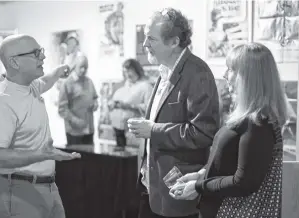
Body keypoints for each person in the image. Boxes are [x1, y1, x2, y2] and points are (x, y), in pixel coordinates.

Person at [170, 43, 288, 218]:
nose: (225, 75)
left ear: (250, 78)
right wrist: (201, 174)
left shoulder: (258, 123)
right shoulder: (251, 118)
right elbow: (230, 161)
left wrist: (199, 186)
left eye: (231, 70)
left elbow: (244, 182)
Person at [127, 8, 220, 218]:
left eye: (151, 39)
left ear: (174, 42)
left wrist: (153, 130)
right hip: (154, 190)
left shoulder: (197, 72)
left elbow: (203, 133)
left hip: (178, 195)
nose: (144, 44)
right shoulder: (165, 70)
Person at [0, 34, 81, 218]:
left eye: (41, 51)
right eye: (36, 53)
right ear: (15, 62)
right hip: (20, 193)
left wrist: (58, 71)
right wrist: (41, 155)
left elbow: (45, 81)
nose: (42, 57)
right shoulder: (1, 102)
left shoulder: (30, 86)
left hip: (48, 188)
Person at [109, 58, 153, 150]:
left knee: (132, 160)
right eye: (125, 71)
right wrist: (113, 105)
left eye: (130, 71)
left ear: (137, 70)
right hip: (119, 130)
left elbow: (150, 109)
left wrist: (130, 106)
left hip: (134, 133)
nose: (127, 74)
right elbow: (113, 101)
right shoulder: (123, 86)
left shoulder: (145, 87)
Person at [58, 54, 98, 145]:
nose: (83, 70)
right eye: (81, 67)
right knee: (76, 158)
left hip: (89, 130)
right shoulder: (67, 83)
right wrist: (75, 121)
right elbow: (62, 110)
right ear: (75, 66)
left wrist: (95, 105)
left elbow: (95, 98)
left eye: (86, 68)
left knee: (91, 158)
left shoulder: (89, 82)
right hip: (74, 132)